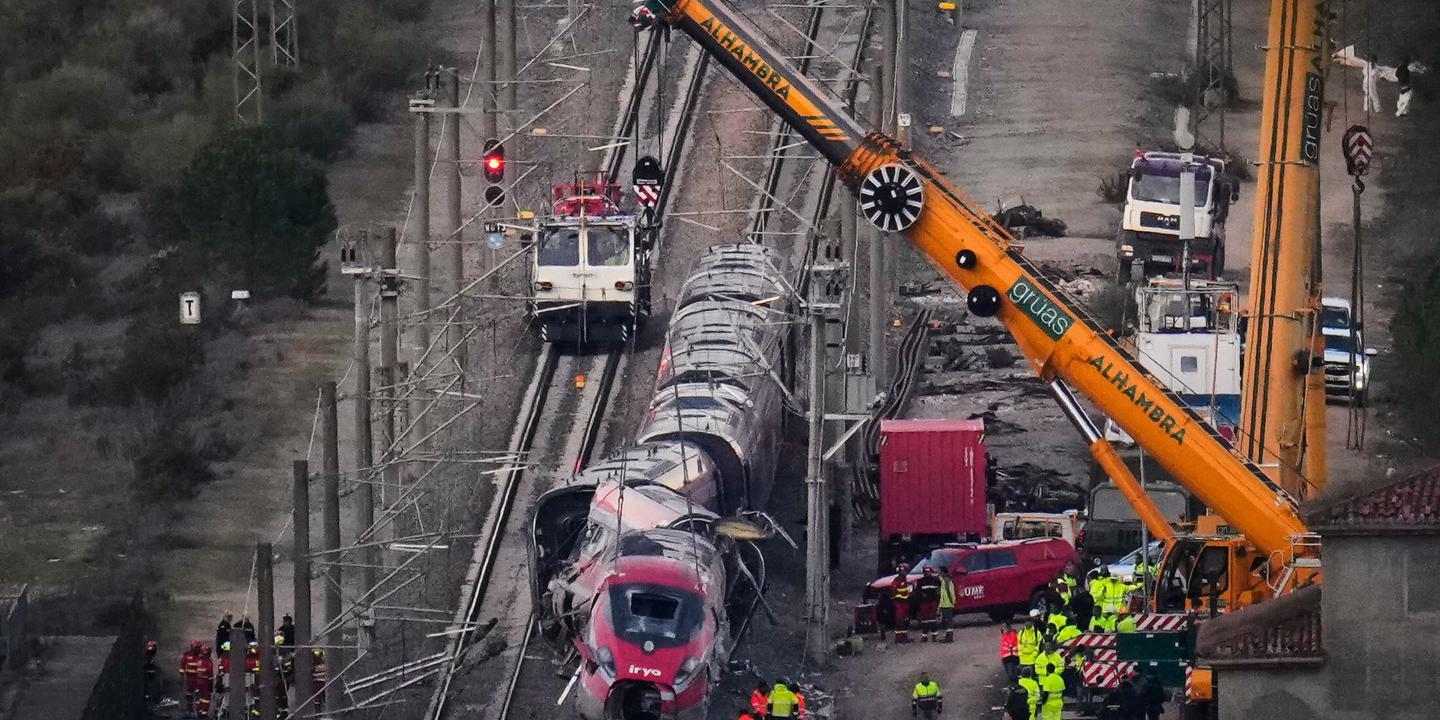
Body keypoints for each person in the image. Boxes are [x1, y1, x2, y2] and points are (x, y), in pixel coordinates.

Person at [915, 566, 943, 640]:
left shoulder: (936, 580)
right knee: (924, 620)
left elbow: (941, 588)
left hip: (933, 602)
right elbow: (917, 592)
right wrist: (921, 596)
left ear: (931, 572)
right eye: (925, 572)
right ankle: (924, 636)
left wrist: (938, 597)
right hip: (924, 603)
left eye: (928, 572)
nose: (927, 573)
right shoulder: (920, 581)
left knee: (933, 618)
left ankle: (934, 636)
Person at [180, 640, 204, 715]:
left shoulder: (202, 655)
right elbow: (182, 666)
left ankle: (199, 710)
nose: (197, 649)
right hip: (190, 678)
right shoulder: (186, 655)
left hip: (199, 678)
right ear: (192, 647)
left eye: (199, 647)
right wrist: (181, 676)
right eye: (196, 647)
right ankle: (189, 710)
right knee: (189, 694)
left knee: (199, 695)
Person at [195, 649, 215, 719]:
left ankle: (199, 711)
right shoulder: (208, 662)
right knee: (206, 698)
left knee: (199, 697)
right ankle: (204, 713)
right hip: (205, 682)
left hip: (198, 681)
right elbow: (210, 674)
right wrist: (211, 684)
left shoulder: (199, 660)